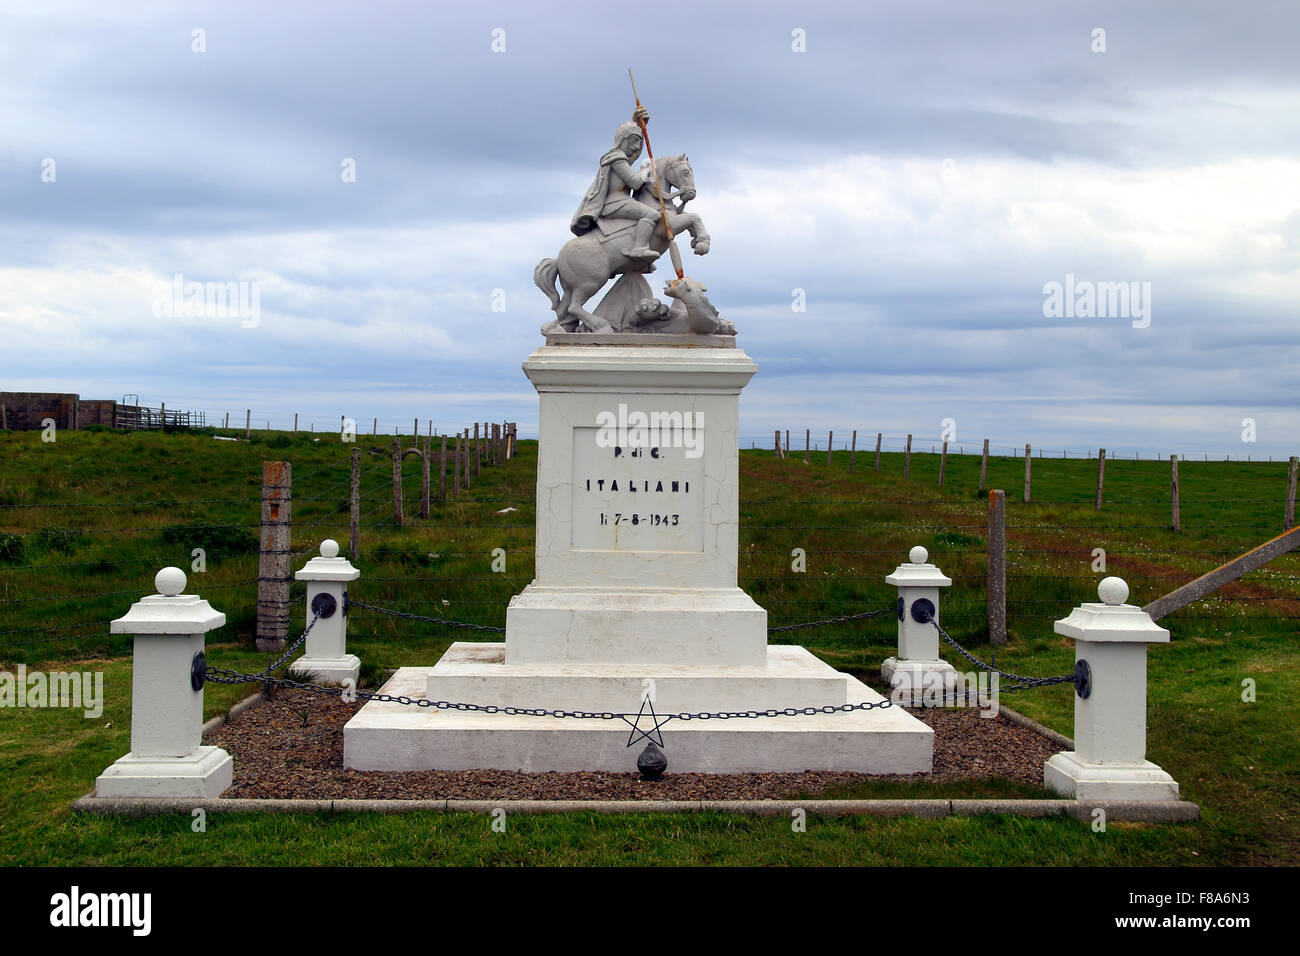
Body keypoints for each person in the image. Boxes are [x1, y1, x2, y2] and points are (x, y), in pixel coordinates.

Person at [569, 106, 662, 261]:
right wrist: (647, 169)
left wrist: (638, 126)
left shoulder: (621, 158)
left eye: (639, 143)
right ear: (623, 140)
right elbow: (635, 183)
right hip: (615, 203)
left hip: (621, 201)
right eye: (633, 142)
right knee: (651, 214)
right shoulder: (617, 159)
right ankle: (639, 248)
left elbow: (635, 156)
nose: (636, 147)